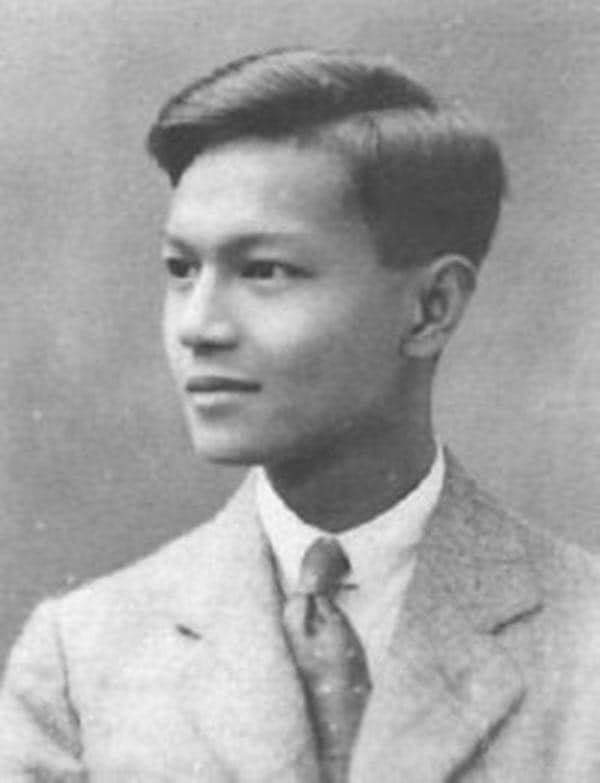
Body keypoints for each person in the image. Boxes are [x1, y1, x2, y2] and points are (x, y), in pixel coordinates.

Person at [1, 47, 599, 782]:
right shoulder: (81, 659)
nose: (198, 325)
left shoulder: (586, 639)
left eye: (265, 271)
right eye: (181, 269)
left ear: (430, 308)